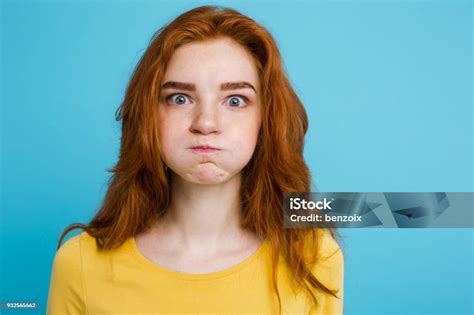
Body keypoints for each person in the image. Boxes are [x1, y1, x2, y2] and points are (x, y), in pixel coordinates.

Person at [46, 5, 344, 315]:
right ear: (149, 115)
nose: (205, 123)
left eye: (235, 100)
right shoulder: (79, 264)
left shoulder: (314, 258)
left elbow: (395, 210)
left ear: (265, 120)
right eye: (179, 98)